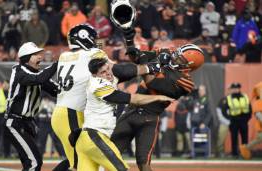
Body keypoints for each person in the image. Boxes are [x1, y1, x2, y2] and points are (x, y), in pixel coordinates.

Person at [51, 24, 161, 171]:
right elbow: (118, 71)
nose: (96, 41)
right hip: (72, 113)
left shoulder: (64, 56)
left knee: (79, 162)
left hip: (63, 113)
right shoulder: (92, 54)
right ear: (84, 38)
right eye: (93, 38)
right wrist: (149, 68)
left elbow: (108, 77)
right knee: (78, 164)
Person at [110, 2, 204, 169]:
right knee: (109, 155)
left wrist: (154, 64)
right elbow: (136, 57)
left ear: (189, 66)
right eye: (177, 53)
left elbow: (150, 81)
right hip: (130, 111)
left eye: (180, 58)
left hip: (148, 118)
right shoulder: (167, 54)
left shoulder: (185, 83)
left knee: (143, 163)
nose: (175, 57)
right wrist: (129, 39)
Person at [75, 58, 173, 171]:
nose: (108, 74)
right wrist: (158, 97)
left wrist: (151, 66)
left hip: (87, 138)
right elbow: (133, 99)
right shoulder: (98, 85)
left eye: (108, 69)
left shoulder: (108, 78)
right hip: (95, 137)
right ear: (95, 75)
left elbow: (127, 72)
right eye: (103, 72)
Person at [4, 42, 58, 171]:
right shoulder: (19, 70)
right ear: (26, 57)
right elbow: (37, 79)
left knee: (31, 163)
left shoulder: (37, 74)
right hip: (14, 122)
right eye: (35, 54)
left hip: (27, 123)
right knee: (34, 162)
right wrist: (58, 64)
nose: (40, 57)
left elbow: (57, 90)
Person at [222, 82, 252, 158]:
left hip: (244, 120)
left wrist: (247, 118)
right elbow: (224, 110)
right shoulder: (228, 98)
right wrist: (229, 119)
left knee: (244, 138)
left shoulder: (245, 96)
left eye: (236, 88)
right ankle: (234, 154)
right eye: (233, 88)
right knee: (234, 138)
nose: (235, 90)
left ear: (239, 89)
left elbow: (250, 108)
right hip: (234, 121)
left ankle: (244, 154)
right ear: (231, 90)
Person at [240, 82, 262, 159]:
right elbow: (258, 115)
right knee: (260, 138)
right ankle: (246, 148)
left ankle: (246, 148)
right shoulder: (257, 103)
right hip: (261, 126)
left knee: (259, 138)